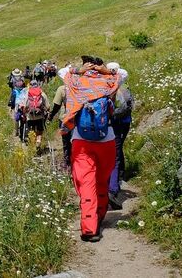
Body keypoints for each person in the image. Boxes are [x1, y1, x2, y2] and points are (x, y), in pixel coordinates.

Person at [58, 56, 124, 242]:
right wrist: (105, 71)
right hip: (107, 139)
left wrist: (79, 70)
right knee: (102, 180)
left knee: (86, 183)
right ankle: (100, 215)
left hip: (81, 141)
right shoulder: (109, 82)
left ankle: (89, 228)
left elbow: (62, 71)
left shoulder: (76, 82)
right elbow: (123, 73)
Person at [106, 62, 133, 210]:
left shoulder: (105, 87)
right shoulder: (124, 87)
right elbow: (129, 106)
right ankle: (117, 183)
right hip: (123, 123)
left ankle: (112, 186)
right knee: (117, 152)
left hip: (110, 125)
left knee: (113, 154)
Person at [18, 80, 50, 154]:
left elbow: (25, 107)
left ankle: (33, 148)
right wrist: (46, 112)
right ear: (37, 85)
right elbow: (48, 107)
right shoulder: (42, 93)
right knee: (39, 132)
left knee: (31, 132)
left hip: (30, 117)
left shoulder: (27, 94)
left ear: (30, 86)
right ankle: (38, 142)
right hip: (40, 117)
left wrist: (24, 115)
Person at [48, 80, 71, 171]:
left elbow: (56, 106)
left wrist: (51, 116)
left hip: (65, 119)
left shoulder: (62, 89)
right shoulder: (81, 87)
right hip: (78, 119)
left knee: (66, 142)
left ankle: (67, 162)